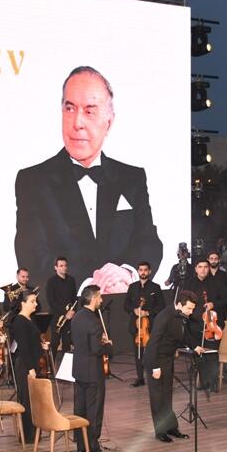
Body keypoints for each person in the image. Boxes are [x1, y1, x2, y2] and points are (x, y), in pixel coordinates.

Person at [14, 66, 163, 292]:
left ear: (109, 121)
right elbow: (32, 256)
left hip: (125, 312)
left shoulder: (132, 178)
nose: (77, 123)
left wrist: (126, 273)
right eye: (70, 108)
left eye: (90, 111)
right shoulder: (33, 180)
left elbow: (149, 241)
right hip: (67, 314)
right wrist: (90, 286)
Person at [143, 290, 203, 442]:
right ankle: (160, 431)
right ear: (178, 304)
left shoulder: (181, 315)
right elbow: (152, 344)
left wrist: (194, 346)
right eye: (189, 308)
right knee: (157, 397)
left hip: (168, 359)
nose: (191, 312)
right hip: (156, 359)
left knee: (167, 395)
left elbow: (184, 334)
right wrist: (155, 367)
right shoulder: (164, 317)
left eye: (192, 309)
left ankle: (171, 428)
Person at [71, 285, 114, 452]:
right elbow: (96, 349)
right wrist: (108, 345)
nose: (102, 300)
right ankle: (94, 448)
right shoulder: (94, 321)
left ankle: (81, 448)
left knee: (80, 409)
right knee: (94, 411)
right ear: (93, 298)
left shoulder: (77, 317)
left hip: (79, 370)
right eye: (100, 297)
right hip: (93, 373)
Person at [184, 260, 227, 390]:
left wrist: (213, 304)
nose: (203, 270)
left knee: (212, 353)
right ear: (196, 269)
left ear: (209, 269)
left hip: (212, 325)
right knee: (199, 353)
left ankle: (212, 383)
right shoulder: (189, 283)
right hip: (194, 323)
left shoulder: (217, 282)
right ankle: (203, 382)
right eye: (200, 267)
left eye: (205, 267)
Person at [9, 290, 46, 443]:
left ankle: (35, 432)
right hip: (25, 365)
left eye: (35, 301)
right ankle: (28, 435)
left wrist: (41, 346)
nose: (35, 304)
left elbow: (31, 342)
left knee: (34, 400)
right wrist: (31, 368)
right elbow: (23, 347)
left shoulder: (30, 319)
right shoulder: (19, 321)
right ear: (23, 303)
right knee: (27, 400)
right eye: (32, 301)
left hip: (32, 363)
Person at [124, 260, 166, 387]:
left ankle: (153, 375)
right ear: (138, 271)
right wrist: (134, 310)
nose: (143, 272)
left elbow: (161, 306)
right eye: (141, 270)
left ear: (150, 271)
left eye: (145, 270)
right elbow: (126, 305)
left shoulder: (155, 287)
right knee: (138, 353)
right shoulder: (132, 287)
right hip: (136, 326)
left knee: (152, 352)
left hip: (151, 326)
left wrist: (148, 313)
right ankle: (140, 378)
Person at [46, 257, 78, 355]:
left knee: (67, 343)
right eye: (61, 266)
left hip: (69, 317)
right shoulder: (51, 282)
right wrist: (65, 313)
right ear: (55, 267)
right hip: (57, 317)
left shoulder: (71, 280)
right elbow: (51, 301)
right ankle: (51, 367)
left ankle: (66, 368)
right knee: (55, 342)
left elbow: (75, 298)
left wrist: (73, 311)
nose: (64, 268)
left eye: (65, 265)